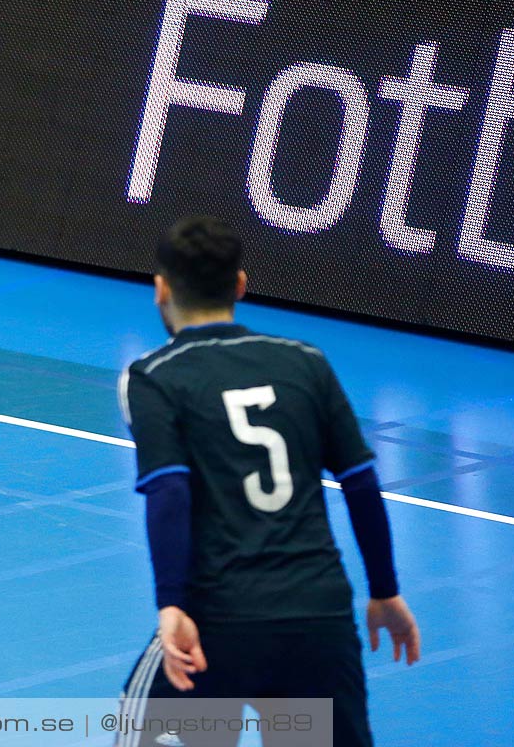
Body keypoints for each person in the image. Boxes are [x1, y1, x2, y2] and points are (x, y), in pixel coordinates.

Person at [116, 216, 421, 747]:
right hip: (318, 618)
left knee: (136, 725)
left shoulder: (155, 376)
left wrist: (171, 605)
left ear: (161, 289)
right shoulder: (305, 364)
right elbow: (361, 484)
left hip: (219, 619)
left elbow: (169, 491)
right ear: (240, 284)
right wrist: (385, 591)